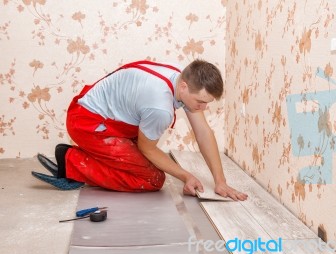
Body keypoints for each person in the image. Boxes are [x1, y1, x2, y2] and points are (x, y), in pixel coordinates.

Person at [32, 59, 248, 201]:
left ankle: (78, 157)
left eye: (207, 103)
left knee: (142, 164)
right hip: (89, 124)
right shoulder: (160, 106)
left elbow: (203, 132)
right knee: (152, 179)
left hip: (99, 117)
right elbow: (148, 149)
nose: (203, 108)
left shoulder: (180, 78)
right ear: (184, 86)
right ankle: (71, 163)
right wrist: (186, 176)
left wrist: (220, 182)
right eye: (201, 102)